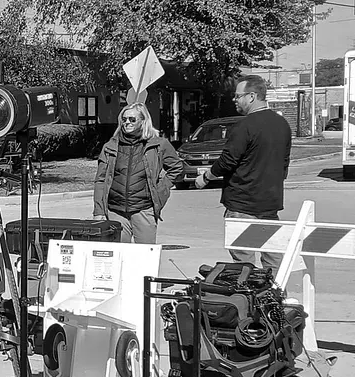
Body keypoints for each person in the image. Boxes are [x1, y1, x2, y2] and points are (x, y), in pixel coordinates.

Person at [197, 75, 292, 272]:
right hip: (269, 205)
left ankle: (249, 299)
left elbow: (227, 161)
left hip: (242, 204)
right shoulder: (282, 125)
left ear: (251, 96)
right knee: (273, 261)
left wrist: (206, 177)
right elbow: (284, 165)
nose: (234, 100)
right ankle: (274, 297)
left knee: (244, 264)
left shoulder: (244, 126)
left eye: (237, 96)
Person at [91, 103, 184, 244]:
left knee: (145, 258)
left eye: (132, 119)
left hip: (144, 211)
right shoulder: (110, 146)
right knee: (119, 258)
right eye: (124, 119)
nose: (127, 122)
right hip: (116, 211)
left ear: (143, 120)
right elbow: (100, 180)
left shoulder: (159, 144)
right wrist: (98, 211)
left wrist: (161, 189)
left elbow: (177, 169)